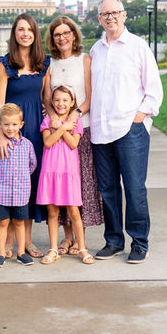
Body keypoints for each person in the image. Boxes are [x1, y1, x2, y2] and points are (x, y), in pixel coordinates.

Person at [90, 0, 163, 264]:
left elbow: (154, 89)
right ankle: (113, 241)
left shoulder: (137, 47)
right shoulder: (95, 50)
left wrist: (140, 117)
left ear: (124, 15)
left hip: (129, 129)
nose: (110, 17)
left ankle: (139, 243)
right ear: (99, 18)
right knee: (107, 189)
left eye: (115, 12)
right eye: (105, 14)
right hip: (101, 130)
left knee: (134, 188)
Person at [0, 13, 50, 259]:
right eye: (21, 29)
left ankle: (27, 241)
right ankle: (8, 241)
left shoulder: (44, 65)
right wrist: (1, 135)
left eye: (29, 29)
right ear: (14, 34)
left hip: (34, 131)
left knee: (27, 183)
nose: (25, 34)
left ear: (35, 34)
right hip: (11, 129)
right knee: (7, 181)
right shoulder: (5, 65)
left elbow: (47, 99)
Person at [44, 16, 103, 256]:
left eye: (66, 32)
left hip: (81, 129)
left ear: (74, 34)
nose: (62, 37)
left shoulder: (85, 60)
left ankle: (80, 240)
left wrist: (74, 116)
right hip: (58, 131)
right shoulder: (50, 64)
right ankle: (66, 239)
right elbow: (46, 98)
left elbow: (90, 96)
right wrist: (54, 119)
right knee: (61, 186)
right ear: (52, 38)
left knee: (80, 185)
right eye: (57, 34)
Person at [37, 85, 95, 265]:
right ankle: (53, 248)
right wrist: (63, 128)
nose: (60, 104)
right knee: (52, 211)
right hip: (50, 171)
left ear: (72, 103)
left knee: (73, 211)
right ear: (52, 103)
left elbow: (73, 144)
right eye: (57, 100)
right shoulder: (47, 120)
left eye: (65, 100)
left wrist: (61, 127)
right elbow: (47, 142)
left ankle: (82, 248)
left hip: (68, 173)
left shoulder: (76, 123)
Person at [0, 104, 37, 268]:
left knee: (19, 222)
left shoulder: (27, 145)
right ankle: (1, 254)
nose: (10, 128)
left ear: (21, 124)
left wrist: (22, 180)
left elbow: (32, 165)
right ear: (0, 125)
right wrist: (0, 179)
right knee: (2, 223)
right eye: (6, 124)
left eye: (14, 124)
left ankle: (21, 253)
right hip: (1, 192)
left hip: (21, 193)